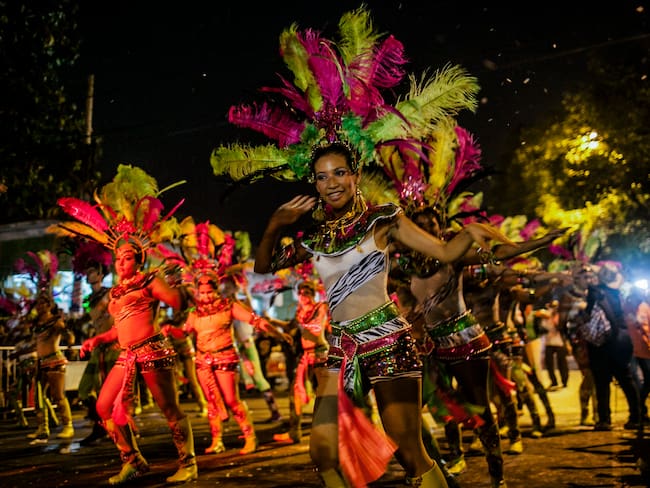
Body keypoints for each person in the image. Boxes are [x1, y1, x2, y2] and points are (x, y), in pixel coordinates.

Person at [254, 141, 517, 488]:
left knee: (409, 450)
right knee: (323, 453)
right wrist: (275, 225)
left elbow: (442, 250)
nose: (331, 183)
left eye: (340, 172)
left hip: (387, 341)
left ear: (356, 175)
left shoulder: (383, 220)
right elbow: (263, 267)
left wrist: (469, 235)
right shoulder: (317, 239)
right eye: (321, 177)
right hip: (341, 348)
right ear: (314, 184)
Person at [79, 242, 197, 485]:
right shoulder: (116, 291)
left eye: (128, 257)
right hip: (127, 354)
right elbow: (118, 329)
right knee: (103, 407)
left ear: (139, 261)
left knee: (169, 409)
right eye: (118, 258)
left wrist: (178, 283)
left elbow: (178, 302)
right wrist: (97, 339)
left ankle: (188, 463)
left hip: (152, 350)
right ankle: (132, 460)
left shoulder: (150, 281)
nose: (121, 262)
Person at [182, 273, 291, 455]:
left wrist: (277, 333)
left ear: (216, 290)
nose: (206, 297)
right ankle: (217, 440)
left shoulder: (228, 306)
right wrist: (168, 331)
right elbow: (184, 332)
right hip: (203, 361)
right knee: (211, 403)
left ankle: (250, 437)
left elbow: (255, 320)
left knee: (232, 400)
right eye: (202, 293)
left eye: (209, 292)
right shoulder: (194, 313)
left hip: (225, 358)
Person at [582, 262, 640, 431]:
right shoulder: (618, 293)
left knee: (602, 383)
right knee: (626, 380)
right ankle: (636, 416)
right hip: (621, 341)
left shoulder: (595, 292)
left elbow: (589, 314)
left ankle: (605, 420)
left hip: (603, 343)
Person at [271, 279, 330, 444]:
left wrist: (302, 321)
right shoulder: (300, 311)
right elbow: (292, 326)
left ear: (313, 294)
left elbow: (317, 328)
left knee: (325, 397)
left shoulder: (320, 307)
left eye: (307, 292)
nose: (304, 296)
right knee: (294, 394)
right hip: (306, 357)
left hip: (321, 356)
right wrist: (273, 322)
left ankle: (329, 432)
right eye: (301, 293)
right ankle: (294, 432)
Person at [74, 255, 120, 446]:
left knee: (114, 393)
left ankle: (119, 429)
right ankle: (100, 425)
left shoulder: (112, 293)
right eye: (88, 272)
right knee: (84, 389)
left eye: (93, 271)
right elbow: (89, 319)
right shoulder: (88, 299)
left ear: (101, 274)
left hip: (114, 347)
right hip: (98, 349)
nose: (89, 275)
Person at [27, 291, 76, 444]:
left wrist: (70, 342)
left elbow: (69, 336)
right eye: (38, 303)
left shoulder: (55, 321)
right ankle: (43, 429)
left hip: (55, 361)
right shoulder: (37, 324)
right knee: (39, 398)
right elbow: (36, 344)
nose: (39, 306)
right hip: (41, 363)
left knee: (58, 396)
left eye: (43, 303)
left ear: (49, 305)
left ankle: (68, 426)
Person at [558, 263, 598, 426]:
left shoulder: (594, 294)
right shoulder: (568, 296)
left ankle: (597, 413)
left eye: (590, 277)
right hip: (578, 341)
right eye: (584, 277)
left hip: (595, 340)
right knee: (589, 375)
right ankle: (585, 411)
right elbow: (562, 323)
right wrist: (566, 342)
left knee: (597, 377)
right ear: (577, 279)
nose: (588, 280)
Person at [624, 286, 650, 423]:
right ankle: (638, 413)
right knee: (634, 381)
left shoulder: (645, 306)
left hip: (645, 349)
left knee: (647, 380)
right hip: (629, 349)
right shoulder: (625, 307)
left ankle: (640, 407)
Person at [538, 300, 569, 390]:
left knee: (562, 363)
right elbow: (543, 327)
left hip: (559, 342)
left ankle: (564, 381)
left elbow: (562, 327)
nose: (554, 309)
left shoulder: (561, 316)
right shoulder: (546, 316)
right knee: (549, 364)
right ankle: (553, 381)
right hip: (549, 342)